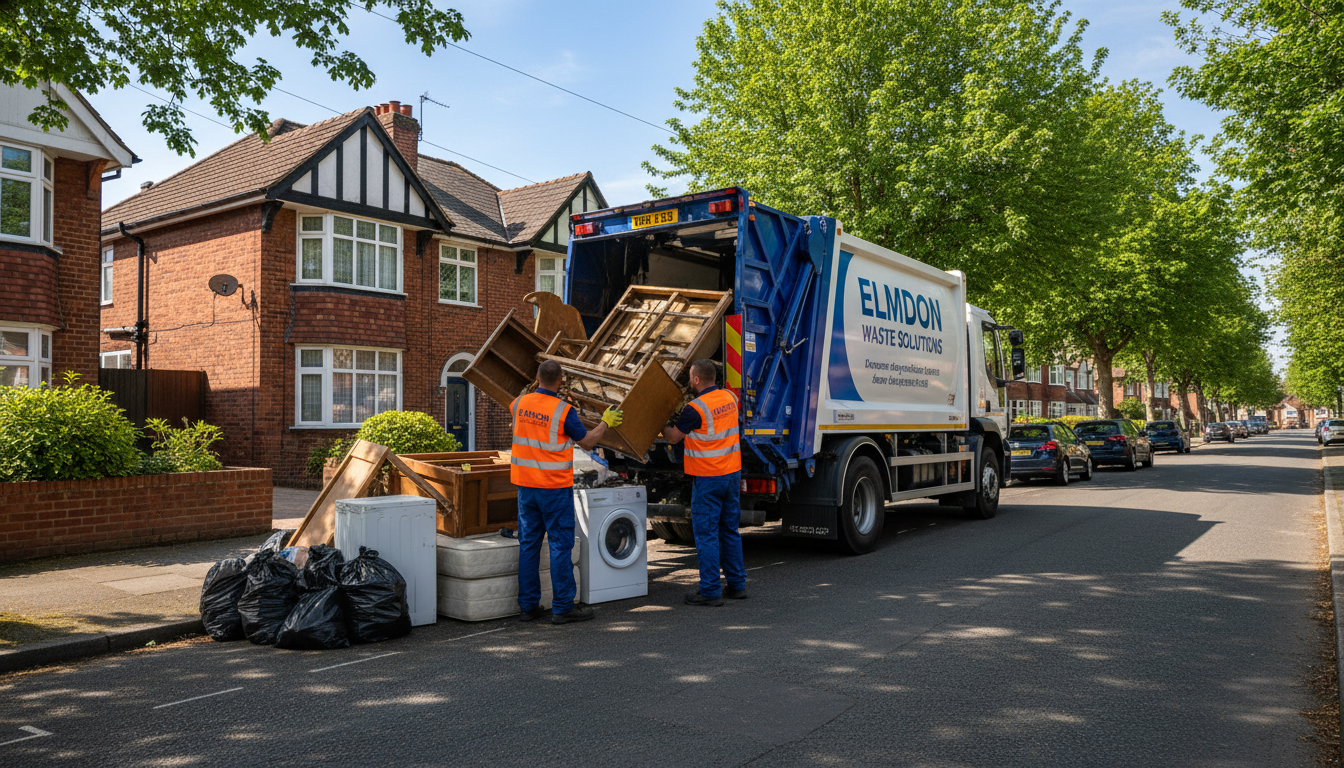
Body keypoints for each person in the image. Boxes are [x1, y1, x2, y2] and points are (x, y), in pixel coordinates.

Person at [511, 359, 622, 624]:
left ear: (537, 378)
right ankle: (562, 607)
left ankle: (528, 607)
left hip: (526, 488)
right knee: (561, 546)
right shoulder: (563, 411)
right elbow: (587, 441)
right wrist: (605, 422)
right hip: (553, 489)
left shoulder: (518, 404)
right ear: (560, 381)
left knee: (528, 545)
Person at [661, 359, 747, 607]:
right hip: (732, 474)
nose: (689, 380)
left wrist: (661, 423)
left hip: (709, 478)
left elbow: (674, 437)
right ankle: (737, 586)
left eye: (690, 377)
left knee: (706, 535)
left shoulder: (695, 409)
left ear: (696, 379)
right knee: (729, 530)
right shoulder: (730, 398)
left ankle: (710, 591)